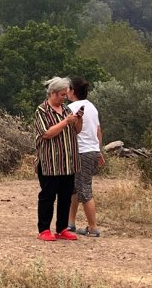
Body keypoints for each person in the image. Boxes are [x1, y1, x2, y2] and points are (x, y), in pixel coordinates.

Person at [33, 76, 83, 241]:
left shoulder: (67, 110)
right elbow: (46, 133)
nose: (64, 97)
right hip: (49, 162)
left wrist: (77, 120)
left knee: (65, 196)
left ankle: (62, 228)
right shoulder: (41, 111)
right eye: (62, 94)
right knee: (47, 196)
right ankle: (44, 229)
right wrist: (65, 122)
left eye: (65, 94)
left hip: (68, 162)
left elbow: (76, 131)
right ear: (53, 93)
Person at [67, 77, 104, 237]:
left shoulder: (70, 108)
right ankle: (70, 223)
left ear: (72, 91)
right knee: (74, 188)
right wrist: (99, 151)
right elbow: (98, 131)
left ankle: (93, 227)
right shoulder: (92, 107)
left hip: (81, 152)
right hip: (92, 151)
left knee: (84, 190)